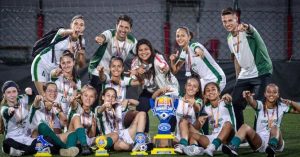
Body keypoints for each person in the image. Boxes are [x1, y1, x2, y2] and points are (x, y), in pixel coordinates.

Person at [221, 7, 273, 130]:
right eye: (224, 21)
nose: (227, 24)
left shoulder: (246, 30)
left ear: (236, 19)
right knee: (235, 103)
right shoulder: (229, 38)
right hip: (245, 74)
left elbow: (250, 29)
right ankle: (241, 134)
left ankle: (258, 136)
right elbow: (236, 58)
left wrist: (247, 26)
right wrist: (239, 78)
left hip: (260, 71)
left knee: (259, 105)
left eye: (230, 20)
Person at [222, 83, 300, 157]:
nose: (271, 94)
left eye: (274, 92)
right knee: (245, 126)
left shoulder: (282, 107)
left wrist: (291, 102)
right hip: (260, 142)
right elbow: (251, 101)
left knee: (274, 127)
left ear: (278, 95)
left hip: (277, 143)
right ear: (265, 94)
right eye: (268, 92)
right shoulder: (260, 105)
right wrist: (248, 96)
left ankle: (271, 148)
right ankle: (232, 147)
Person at [130, 38, 180, 133]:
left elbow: (164, 66)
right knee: (141, 107)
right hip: (151, 91)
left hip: (166, 89)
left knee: (169, 110)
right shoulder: (136, 62)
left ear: (151, 50)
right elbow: (134, 78)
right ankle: (144, 135)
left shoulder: (157, 58)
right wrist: (137, 73)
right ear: (137, 52)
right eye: (140, 50)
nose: (143, 52)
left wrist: (165, 68)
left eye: (146, 49)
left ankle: (170, 134)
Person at [31, 15, 86, 95]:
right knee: (44, 97)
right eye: (76, 24)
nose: (78, 27)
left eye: (81, 25)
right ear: (71, 25)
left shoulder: (82, 41)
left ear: (84, 28)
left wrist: (81, 54)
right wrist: (72, 32)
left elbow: (81, 64)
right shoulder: (61, 33)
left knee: (56, 97)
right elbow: (63, 32)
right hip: (42, 64)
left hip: (57, 70)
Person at [89, 15, 137, 102]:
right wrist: (100, 38)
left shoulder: (132, 41)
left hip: (115, 72)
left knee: (115, 98)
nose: (123, 30)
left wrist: (137, 69)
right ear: (116, 26)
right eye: (121, 26)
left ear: (130, 29)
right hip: (98, 70)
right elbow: (104, 36)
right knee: (93, 98)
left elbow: (140, 52)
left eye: (126, 27)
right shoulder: (110, 33)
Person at [28, 82, 82, 157]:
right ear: (44, 92)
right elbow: (36, 104)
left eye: (55, 91)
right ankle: (65, 148)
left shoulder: (55, 107)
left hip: (54, 139)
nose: (53, 93)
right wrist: (37, 100)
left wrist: (59, 110)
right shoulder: (39, 104)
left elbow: (65, 123)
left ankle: (68, 150)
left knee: (72, 133)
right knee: (42, 126)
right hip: (39, 139)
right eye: (50, 91)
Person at [152, 76, 202, 154]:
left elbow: (198, 108)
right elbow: (154, 98)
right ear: (185, 86)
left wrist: (194, 104)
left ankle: (187, 145)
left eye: (194, 86)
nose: (191, 88)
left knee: (184, 120)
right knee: (156, 141)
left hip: (192, 133)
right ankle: (188, 146)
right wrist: (161, 90)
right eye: (189, 85)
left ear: (197, 89)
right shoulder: (177, 99)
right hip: (179, 135)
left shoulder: (198, 100)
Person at [169, 26, 226, 92]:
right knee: (191, 92)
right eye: (178, 36)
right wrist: (172, 61)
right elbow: (174, 70)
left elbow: (197, 48)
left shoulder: (193, 45)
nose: (180, 38)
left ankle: (225, 101)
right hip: (205, 80)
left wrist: (199, 51)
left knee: (210, 98)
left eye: (183, 36)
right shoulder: (183, 52)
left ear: (189, 37)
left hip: (216, 78)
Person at [186, 82, 235, 156]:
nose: (210, 92)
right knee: (192, 134)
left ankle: (213, 147)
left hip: (229, 138)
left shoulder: (225, 102)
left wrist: (227, 96)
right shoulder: (207, 107)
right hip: (214, 138)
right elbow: (197, 126)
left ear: (219, 92)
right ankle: (196, 149)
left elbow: (229, 99)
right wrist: (199, 120)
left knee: (228, 124)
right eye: (208, 90)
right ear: (205, 95)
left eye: (213, 89)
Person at [95, 87, 147, 151]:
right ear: (103, 97)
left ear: (115, 99)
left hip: (123, 134)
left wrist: (127, 100)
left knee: (142, 114)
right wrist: (105, 105)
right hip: (110, 137)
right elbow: (99, 111)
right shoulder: (99, 108)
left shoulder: (118, 107)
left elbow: (138, 103)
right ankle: (137, 147)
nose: (110, 98)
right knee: (122, 145)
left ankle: (139, 142)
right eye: (108, 96)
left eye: (113, 96)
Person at [0, 81, 37, 156]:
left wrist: (30, 91)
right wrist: (10, 111)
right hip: (13, 138)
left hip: (26, 135)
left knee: (43, 140)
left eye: (14, 91)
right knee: (7, 143)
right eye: (8, 92)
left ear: (18, 92)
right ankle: (28, 150)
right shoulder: (4, 107)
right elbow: (5, 112)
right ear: (4, 95)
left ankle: (20, 152)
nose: (12, 95)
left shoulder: (22, 98)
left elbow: (32, 97)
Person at [51, 50, 81, 117]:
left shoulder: (78, 81)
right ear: (60, 65)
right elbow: (54, 74)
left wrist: (74, 86)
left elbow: (76, 98)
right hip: (55, 112)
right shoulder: (57, 76)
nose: (66, 65)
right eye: (63, 63)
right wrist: (60, 72)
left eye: (69, 62)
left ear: (73, 62)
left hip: (69, 113)